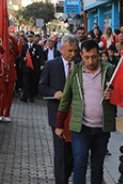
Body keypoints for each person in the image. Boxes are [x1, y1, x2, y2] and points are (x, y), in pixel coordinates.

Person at [55, 39, 115, 184]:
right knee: (80, 163)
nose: (90, 61)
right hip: (80, 127)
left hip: (102, 128)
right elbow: (66, 99)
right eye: (87, 57)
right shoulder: (75, 72)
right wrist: (59, 124)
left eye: (94, 57)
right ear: (81, 55)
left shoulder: (109, 71)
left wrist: (114, 95)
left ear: (99, 55)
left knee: (97, 166)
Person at [40, 34, 79, 184]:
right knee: (61, 152)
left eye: (75, 51)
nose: (73, 54)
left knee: (72, 153)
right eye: (70, 50)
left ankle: (66, 175)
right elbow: (41, 86)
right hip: (57, 115)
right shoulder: (51, 65)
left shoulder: (80, 65)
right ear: (62, 49)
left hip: (75, 115)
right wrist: (53, 93)